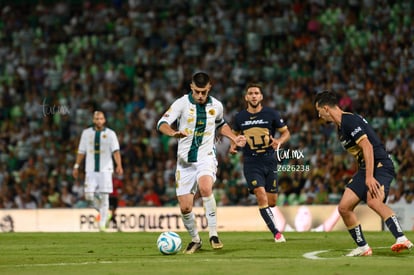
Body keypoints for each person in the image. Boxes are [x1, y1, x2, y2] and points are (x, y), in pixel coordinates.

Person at [314, 90, 413, 256]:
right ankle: (363, 247)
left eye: (319, 112)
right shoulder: (340, 128)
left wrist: (368, 177)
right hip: (365, 168)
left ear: (326, 108)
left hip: (380, 165)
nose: (319, 116)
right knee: (344, 208)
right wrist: (361, 173)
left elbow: (367, 146)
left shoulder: (349, 121)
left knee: (373, 201)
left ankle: (401, 238)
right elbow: (360, 152)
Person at [157, 72, 246, 254]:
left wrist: (233, 138)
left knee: (205, 188)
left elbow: (221, 124)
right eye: (197, 91)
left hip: (206, 156)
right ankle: (195, 240)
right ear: (191, 87)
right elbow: (161, 123)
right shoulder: (181, 104)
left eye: (203, 92)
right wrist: (174, 133)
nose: (200, 96)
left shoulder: (216, 105)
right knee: (185, 207)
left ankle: (213, 233)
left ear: (209, 88)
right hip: (184, 161)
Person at [230, 83, 290, 242]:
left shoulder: (272, 114)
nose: (254, 96)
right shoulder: (240, 117)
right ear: (246, 97)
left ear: (261, 96)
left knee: (272, 201)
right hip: (251, 162)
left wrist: (279, 141)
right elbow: (234, 136)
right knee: (260, 195)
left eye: (257, 93)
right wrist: (233, 145)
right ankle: (277, 233)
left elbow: (286, 132)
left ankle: (272, 224)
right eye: (251, 93)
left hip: (269, 160)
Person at [72, 111, 123, 231]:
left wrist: (119, 165)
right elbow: (81, 151)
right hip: (90, 170)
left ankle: (102, 225)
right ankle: (104, 212)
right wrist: (76, 166)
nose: (99, 121)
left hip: (106, 170)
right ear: (93, 120)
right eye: (96, 119)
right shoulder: (86, 133)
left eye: (101, 118)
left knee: (105, 197)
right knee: (89, 196)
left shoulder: (111, 134)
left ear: (104, 120)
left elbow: (116, 151)